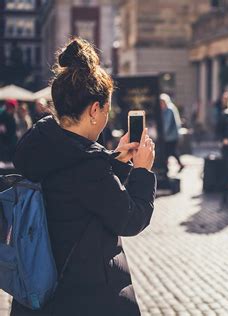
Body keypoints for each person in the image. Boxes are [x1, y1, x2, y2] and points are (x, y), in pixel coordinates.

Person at [10, 38, 156, 316]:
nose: (105, 118)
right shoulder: (88, 167)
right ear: (93, 110)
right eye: (106, 110)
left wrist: (117, 161)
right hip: (84, 296)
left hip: (39, 297)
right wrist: (142, 172)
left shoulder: (42, 145)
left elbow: (80, 193)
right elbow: (130, 218)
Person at [161, 93, 184, 172]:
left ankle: (166, 168)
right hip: (170, 136)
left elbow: (167, 123)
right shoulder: (168, 109)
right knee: (172, 151)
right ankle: (177, 165)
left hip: (171, 136)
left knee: (169, 152)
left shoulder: (169, 109)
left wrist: (162, 134)